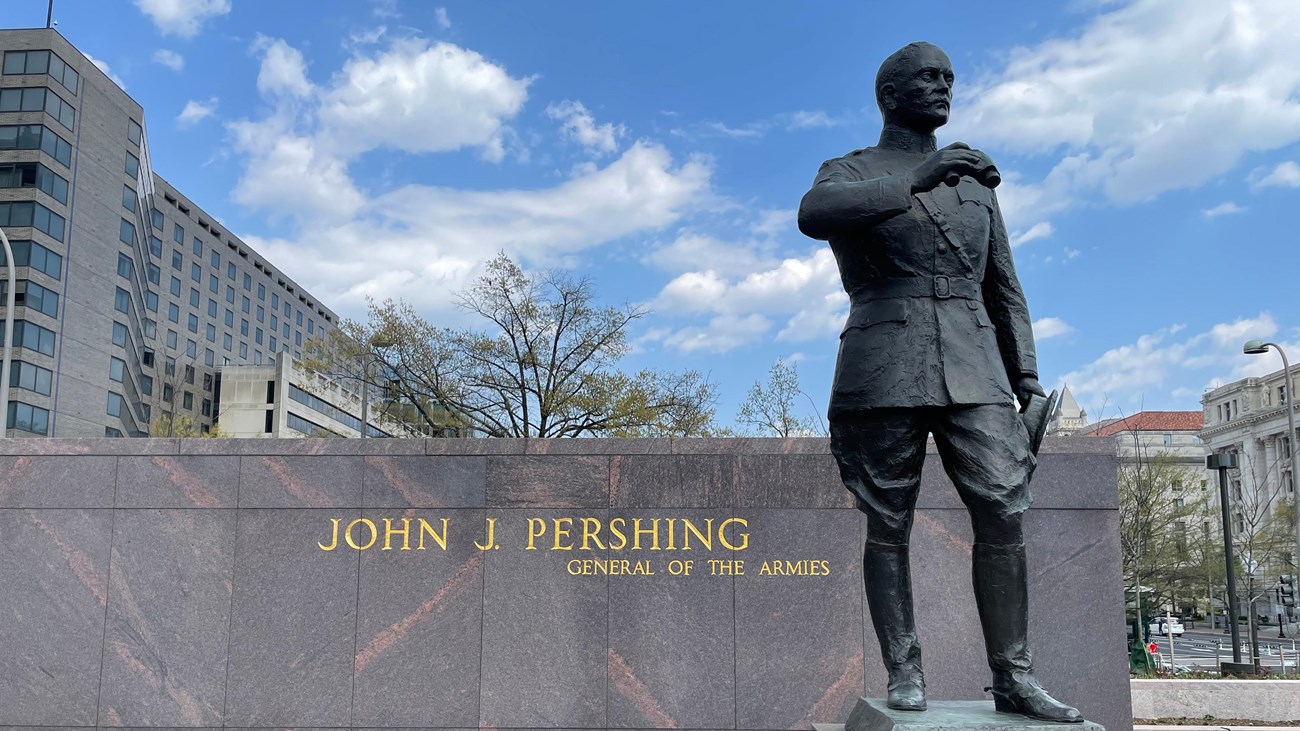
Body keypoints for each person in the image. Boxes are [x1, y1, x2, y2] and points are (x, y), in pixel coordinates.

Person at [797, 41, 1081, 723]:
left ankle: (1013, 674)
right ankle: (904, 670)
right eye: (927, 78)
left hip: (973, 359)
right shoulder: (852, 170)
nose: (943, 87)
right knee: (888, 521)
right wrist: (923, 175)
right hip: (882, 358)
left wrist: (1028, 376)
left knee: (1005, 510)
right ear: (889, 94)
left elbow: (1004, 285)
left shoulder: (976, 185)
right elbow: (815, 214)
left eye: (949, 79)